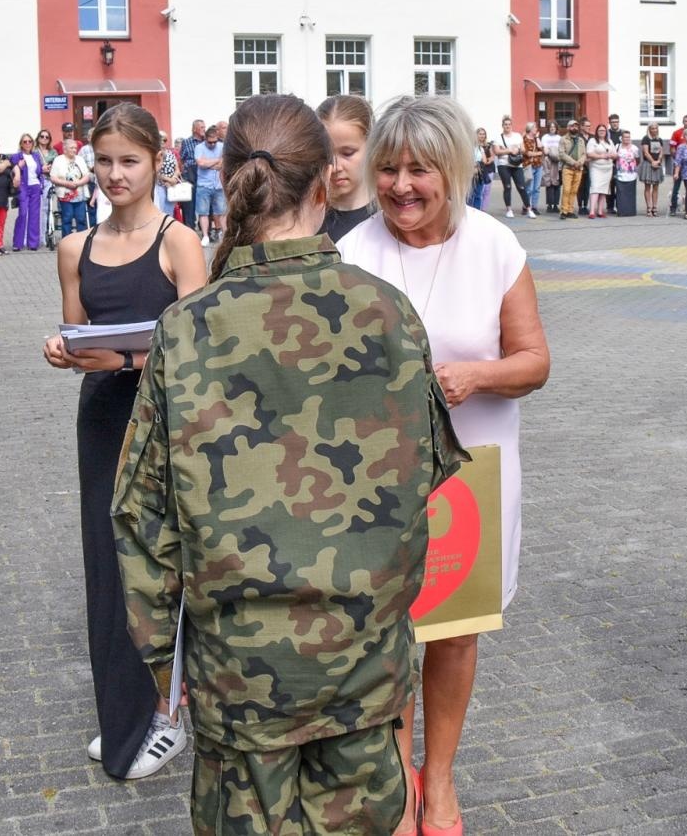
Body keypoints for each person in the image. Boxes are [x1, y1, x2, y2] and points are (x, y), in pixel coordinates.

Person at [113, 94, 466, 834]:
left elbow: (141, 520)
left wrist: (160, 664)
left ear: (233, 177)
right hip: (363, 672)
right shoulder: (389, 311)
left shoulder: (187, 328)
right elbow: (429, 475)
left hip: (241, 680)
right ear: (323, 186)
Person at [340, 95, 551, 835]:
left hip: (472, 473)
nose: (401, 185)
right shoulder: (353, 254)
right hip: (379, 483)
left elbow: (535, 362)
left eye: (420, 169)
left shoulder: (494, 245)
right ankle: (399, 777)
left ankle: (444, 775)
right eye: (388, 168)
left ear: (453, 170)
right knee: (390, 630)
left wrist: (474, 377)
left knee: (455, 633)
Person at [43, 104, 206, 781]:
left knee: (166, 563)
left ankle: (171, 714)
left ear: (155, 161)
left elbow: (199, 347)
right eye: (104, 161)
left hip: (167, 421)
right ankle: (125, 714)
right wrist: (64, 351)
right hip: (104, 419)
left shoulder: (179, 241)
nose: (114, 174)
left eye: (128, 161)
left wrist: (128, 364)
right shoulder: (73, 248)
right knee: (109, 565)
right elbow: (83, 336)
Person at [317, 93, 377, 241]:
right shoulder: (309, 218)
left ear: (371, 146)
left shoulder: (390, 214)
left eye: (348, 153)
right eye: (327, 155)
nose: (336, 167)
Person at [494, 115, 536, 218]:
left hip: (517, 165)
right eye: (505, 124)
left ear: (512, 125)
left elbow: (522, 149)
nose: (507, 126)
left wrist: (517, 149)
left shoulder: (517, 136)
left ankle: (529, 209)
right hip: (504, 165)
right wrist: (509, 150)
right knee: (507, 187)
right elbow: (497, 151)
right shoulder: (498, 137)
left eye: (509, 124)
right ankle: (509, 209)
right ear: (502, 126)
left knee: (522, 187)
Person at [10, 133, 46, 251]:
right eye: (25, 141)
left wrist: (43, 172)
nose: (27, 143)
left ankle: (33, 243)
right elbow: (12, 170)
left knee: (35, 215)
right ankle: (17, 243)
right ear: (21, 144)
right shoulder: (17, 156)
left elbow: (39, 171)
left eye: (29, 141)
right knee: (23, 214)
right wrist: (19, 167)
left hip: (35, 187)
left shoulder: (36, 156)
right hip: (23, 187)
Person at [51, 138, 93, 236]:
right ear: (65, 149)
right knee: (67, 218)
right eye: (72, 148)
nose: (74, 150)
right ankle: (67, 241)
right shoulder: (58, 160)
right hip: (65, 194)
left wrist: (78, 183)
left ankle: (81, 240)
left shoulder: (80, 159)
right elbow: (53, 178)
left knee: (81, 219)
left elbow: (87, 176)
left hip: (80, 194)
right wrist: (67, 184)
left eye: (75, 148)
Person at [195, 123, 226, 242]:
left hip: (218, 184)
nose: (213, 144)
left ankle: (224, 235)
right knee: (203, 212)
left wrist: (209, 163)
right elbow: (201, 164)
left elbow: (223, 164)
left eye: (215, 142)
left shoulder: (222, 146)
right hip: (204, 185)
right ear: (205, 139)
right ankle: (205, 236)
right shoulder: (199, 148)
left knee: (222, 212)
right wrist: (217, 160)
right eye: (210, 142)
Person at [179, 118, 205, 229]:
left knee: (204, 202)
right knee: (189, 203)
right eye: (202, 127)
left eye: (204, 127)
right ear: (195, 129)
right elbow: (181, 159)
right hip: (190, 173)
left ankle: (205, 229)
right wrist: (184, 172)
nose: (204, 129)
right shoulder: (187, 142)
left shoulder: (207, 142)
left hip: (204, 173)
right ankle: (189, 227)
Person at [585, 121, 614, 219]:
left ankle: (600, 211)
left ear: (606, 131)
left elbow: (615, 154)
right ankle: (592, 211)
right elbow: (589, 154)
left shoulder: (609, 141)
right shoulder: (592, 141)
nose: (602, 132)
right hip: (596, 168)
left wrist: (610, 155)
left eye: (604, 130)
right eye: (600, 130)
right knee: (595, 188)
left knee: (603, 190)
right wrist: (601, 156)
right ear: (597, 131)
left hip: (607, 169)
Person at [557, 118, 585, 219]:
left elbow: (584, 154)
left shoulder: (581, 140)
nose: (575, 128)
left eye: (576, 126)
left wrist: (580, 162)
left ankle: (570, 210)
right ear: (568, 128)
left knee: (574, 191)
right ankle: (563, 211)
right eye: (572, 126)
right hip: (568, 168)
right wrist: (573, 162)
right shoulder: (563, 139)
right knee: (566, 190)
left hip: (578, 169)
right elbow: (561, 154)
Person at [639, 123, 667, 217]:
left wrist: (658, 160)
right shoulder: (646, 139)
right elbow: (646, 152)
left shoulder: (659, 139)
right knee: (648, 187)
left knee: (656, 187)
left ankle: (655, 207)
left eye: (656, 128)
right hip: (648, 164)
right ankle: (649, 208)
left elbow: (661, 152)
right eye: (652, 128)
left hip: (657, 164)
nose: (654, 130)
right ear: (649, 129)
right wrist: (652, 162)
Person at [668, 113, 687, 214]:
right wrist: (677, 159)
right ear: (683, 122)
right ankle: (673, 208)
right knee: (676, 188)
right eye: (686, 121)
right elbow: (672, 149)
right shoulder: (676, 133)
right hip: (678, 166)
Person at [613, 129, 640, 217]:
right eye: (625, 137)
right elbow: (614, 157)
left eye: (628, 137)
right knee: (621, 194)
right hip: (620, 174)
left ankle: (630, 212)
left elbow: (638, 159)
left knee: (630, 194)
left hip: (631, 175)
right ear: (622, 138)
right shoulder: (617, 146)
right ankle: (621, 212)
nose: (627, 139)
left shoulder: (634, 148)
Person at [540, 122, 562, 212]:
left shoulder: (560, 138)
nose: (552, 128)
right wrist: (552, 152)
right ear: (548, 128)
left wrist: (552, 151)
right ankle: (549, 205)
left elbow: (561, 149)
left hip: (558, 162)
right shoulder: (545, 137)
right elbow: (545, 150)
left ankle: (556, 205)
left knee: (557, 183)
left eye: (554, 127)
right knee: (549, 183)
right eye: (550, 127)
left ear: (556, 128)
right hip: (548, 161)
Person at [522, 123, 545, 211]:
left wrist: (537, 137)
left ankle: (534, 207)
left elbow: (542, 149)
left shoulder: (536, 139)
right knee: (529, 188)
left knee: (537, 188)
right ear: (530, 129)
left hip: (538, 165)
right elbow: (527, 153)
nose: (536, 129)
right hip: (529, 166)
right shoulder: (524, 139)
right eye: (535, 127)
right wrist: (538, 153)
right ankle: (526, 206)